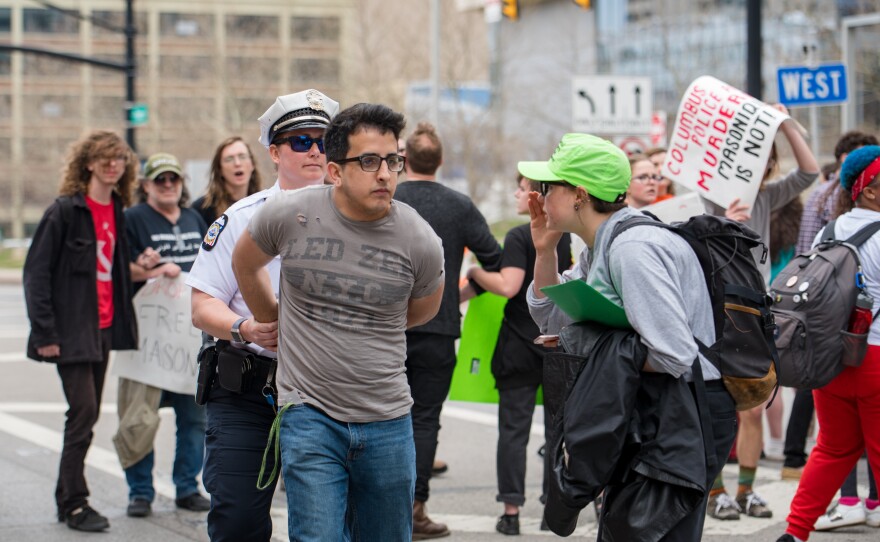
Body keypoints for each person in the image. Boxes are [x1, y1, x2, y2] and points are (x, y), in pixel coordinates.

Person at [231, 103, 445, 541]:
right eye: (368, 161)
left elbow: (423, 309)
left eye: (392, 161)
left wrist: (372, 320)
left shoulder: (419, 238)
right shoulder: (290, 214)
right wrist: (272, 319)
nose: (384, 173)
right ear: (334, 170)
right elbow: (245, 263)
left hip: (387, 417)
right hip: (309, 413)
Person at [523, 132, 736, 540]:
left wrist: (593, 347)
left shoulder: (632, 248)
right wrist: (545, 252)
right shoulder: (600, 246)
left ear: (579, 195)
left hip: (687, 410)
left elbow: (673, 354)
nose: (540, 196)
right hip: (658, 405)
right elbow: (550, 320)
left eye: (548, 186)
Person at [186, 89, 340, 542]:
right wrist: (244, 327)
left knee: (325, 525)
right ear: (273, 152)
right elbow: (201, 305)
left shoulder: (360, 219)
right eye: (300, 141)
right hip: (248, 391)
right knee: (237, 522)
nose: (315, 150)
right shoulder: (241, 218)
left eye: (324, 140)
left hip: (328, 389)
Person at [703, 103, 820, 521]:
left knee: (753, 404)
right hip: (714, 309)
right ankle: (715, 491)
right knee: (716, 405)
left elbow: (809, 173)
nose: (764, 163)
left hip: (755, 309)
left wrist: (785, 125)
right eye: (759, 155)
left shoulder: (767, 196)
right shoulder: (707, 197)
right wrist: (724, 222)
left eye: (768, 157)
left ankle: (747, 490)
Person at [23, 130, 139, 532]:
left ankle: (67, 498)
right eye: (105, 158)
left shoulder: (118, 209)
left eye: (119, 159)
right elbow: (36, 274)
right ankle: (75, 503)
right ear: (87, 163)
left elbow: (115, 271)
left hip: (103, 329)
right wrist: (45, 334)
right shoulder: (65, 211)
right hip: (71, 331)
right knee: (85, 412)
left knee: (83, 417)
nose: (113, 165)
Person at [393, 121, 502, 539]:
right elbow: (493, 258)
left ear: (403, 161)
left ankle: (377, 506)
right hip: (438, 328)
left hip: (387, 328)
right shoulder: (459, 205)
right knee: (425, 420)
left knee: (382, 417)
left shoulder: (390, 197)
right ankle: (415, 509)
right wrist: (463, 290)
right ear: (440, 161)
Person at [776, 145, 880, 542]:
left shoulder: (829, 231)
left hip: (831, 360)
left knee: (833, 449)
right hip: (874, 359)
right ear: (867, 189)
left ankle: (795, 532)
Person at [463, 173, 572, 536]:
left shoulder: (518, 235)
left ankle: (511, 511)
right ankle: (551, 507)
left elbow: (509, 286)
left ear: (537, 197)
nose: (516, 193)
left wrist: (476, 272)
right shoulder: (568, 236)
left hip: (517, 345)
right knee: (558, 429)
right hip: (557, 342)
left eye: (522, 188)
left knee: (513, 431)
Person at [115, 153, 210, 518]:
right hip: (148, 339)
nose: (168, 185)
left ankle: (187, 487)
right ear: (145, 185)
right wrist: (147, 268)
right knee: (139, 415)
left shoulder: (193, 218)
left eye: (173, 179)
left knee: (194, 419)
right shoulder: (132, 219)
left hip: (188, 339)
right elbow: (119, 269)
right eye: (160, 180)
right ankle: (140, 491)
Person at [191, 136, 263, 226]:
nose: (237, 163)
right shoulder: (202, 209)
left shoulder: (264, 204)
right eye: (229, 159)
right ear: (220, 169)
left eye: (242, 157)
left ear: (252, 164)